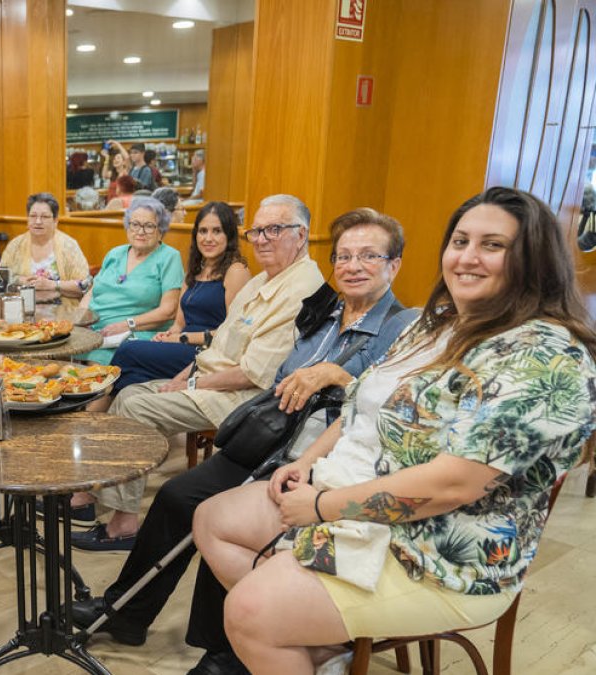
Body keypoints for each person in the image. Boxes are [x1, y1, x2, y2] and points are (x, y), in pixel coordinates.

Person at [192, 187, 596, 675]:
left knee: (249, 611)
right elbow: (362, 402)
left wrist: (320, 506)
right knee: (213, 519)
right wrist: (305, 464)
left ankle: (283, 634)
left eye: (493, 245)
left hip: (447, 552)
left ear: (534, 260)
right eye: (460, 240)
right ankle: (316, 647)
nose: (468, 257)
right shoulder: (438, 321)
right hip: (364, 494)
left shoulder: (544, 356)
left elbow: (452, 485)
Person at [72, 209, 417, 673]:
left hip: (326, 460)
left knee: (225, 516)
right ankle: (126, 612)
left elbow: (390, 408)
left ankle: (226, 654)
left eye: (369, 256)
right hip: (272, 435)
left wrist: (340, 377)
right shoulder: (328, 310)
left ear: (394, 264)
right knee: (177, 495)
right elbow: (279, 374)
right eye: (345, 256)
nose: (353, 265)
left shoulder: (403, 327)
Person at [72, 194, 324, 549]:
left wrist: (190, 381)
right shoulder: (264, 280)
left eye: (274, 230)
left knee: (132, 402)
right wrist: (184, 374)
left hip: (238, 400)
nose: (263, 239)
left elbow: (252, 376)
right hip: (206, 377)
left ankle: (120, 521)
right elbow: (218, 341)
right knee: (127, 390)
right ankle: (96, 490)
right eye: (258, 231)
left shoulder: (299, 290)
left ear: (301, 235)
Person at [105, 201, 251, 396]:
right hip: (182, 345)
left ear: (229, 236)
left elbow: (232, 334)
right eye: (203, 231)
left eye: (217, 231)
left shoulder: (236, 271)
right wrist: (166, 336)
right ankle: (101, 419)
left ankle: (91, 413)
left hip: (208, 351)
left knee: (127, 350)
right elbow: (178, 324)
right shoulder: (195, 269)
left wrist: (181, 338)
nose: (208, 238)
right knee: (131, 379)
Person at [77, 196, 183, 366]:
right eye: (135, 224)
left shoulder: (169, 257)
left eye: (149, 226)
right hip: (93, 330)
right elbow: (92, 291)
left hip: (135, 334)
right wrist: (80, 319)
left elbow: (168, 310)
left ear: (161, 230)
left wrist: (127, 325)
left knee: (93, 371)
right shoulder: (114, 254)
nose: (140, 231)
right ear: (127, 226)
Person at [0, 193, 92, 306]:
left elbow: (85, 285)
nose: (38, 221)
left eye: (45, 217)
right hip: (20, 313)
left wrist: (52, 285)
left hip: (61, 314)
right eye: (33, 216)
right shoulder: (15, 245)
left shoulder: (69, 246)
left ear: (55, 221)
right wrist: (21, 280)